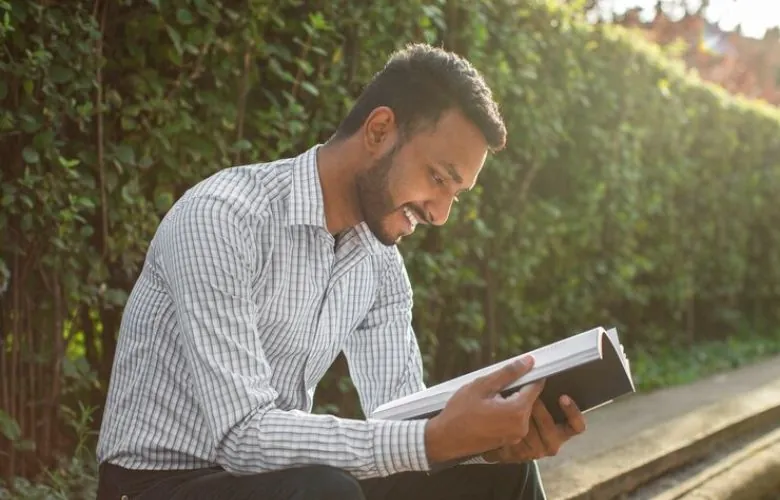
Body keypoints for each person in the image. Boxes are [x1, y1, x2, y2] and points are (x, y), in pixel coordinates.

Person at [96, 42, 587, 500]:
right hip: (155, 484)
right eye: (438, 178)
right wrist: (434, 439)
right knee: (325, 492)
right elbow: (240, 435)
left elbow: (402, 417)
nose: (440, 213)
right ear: (378, 131)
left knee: (501, 476)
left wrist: (484, 443)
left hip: (281, 481)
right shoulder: (223, 218)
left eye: (454, 195)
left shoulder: (380, 265)